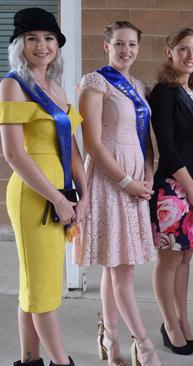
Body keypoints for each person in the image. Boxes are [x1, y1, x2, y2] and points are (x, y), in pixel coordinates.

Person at [0, 7, 85, 366]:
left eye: (49, 38)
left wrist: (84, 196)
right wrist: (58, 200)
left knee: (34, 286)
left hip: (63, 195)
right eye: (32, 38)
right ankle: (61, 362)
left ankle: (30, 360)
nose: (42, 45)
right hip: (34, 196)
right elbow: (14, 155)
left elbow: (74, 150)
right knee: (44, 289)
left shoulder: (56, 86)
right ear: (19, 44)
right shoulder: (12, 85)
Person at [76, 21, 161, 366]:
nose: (126, 51)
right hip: (110, 179)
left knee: (116, 265)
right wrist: (126, 181)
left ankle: (109, 341)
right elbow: (93, 143)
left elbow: (146, 138)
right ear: (106, 46)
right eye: (119, 44)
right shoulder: (95, 82)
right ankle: (144, 345)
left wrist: (150, 172)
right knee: (122, 269)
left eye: (132, 45)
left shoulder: (138, 86)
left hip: (137, 178)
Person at [149, 27, 193, 356]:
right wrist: (189, 187)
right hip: (174, 189)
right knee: (169, 260)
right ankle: (169, 324)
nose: (190, 56)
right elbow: (167, 146)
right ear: (169, 52)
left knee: (186, 258)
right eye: (183, 49)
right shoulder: (163, 93)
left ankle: (183, 321)